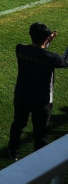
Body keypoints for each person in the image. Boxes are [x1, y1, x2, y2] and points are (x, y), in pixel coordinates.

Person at [7, 23, 68, 161]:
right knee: (40, 132)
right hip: (42, 100)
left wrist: (47, 41)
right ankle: (39, 160)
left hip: (22, 95)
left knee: (18, 125)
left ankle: (12, 152)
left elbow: (38, 53)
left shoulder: (20, 49)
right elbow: (65, 62)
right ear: (46, 39)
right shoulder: (52, 58)